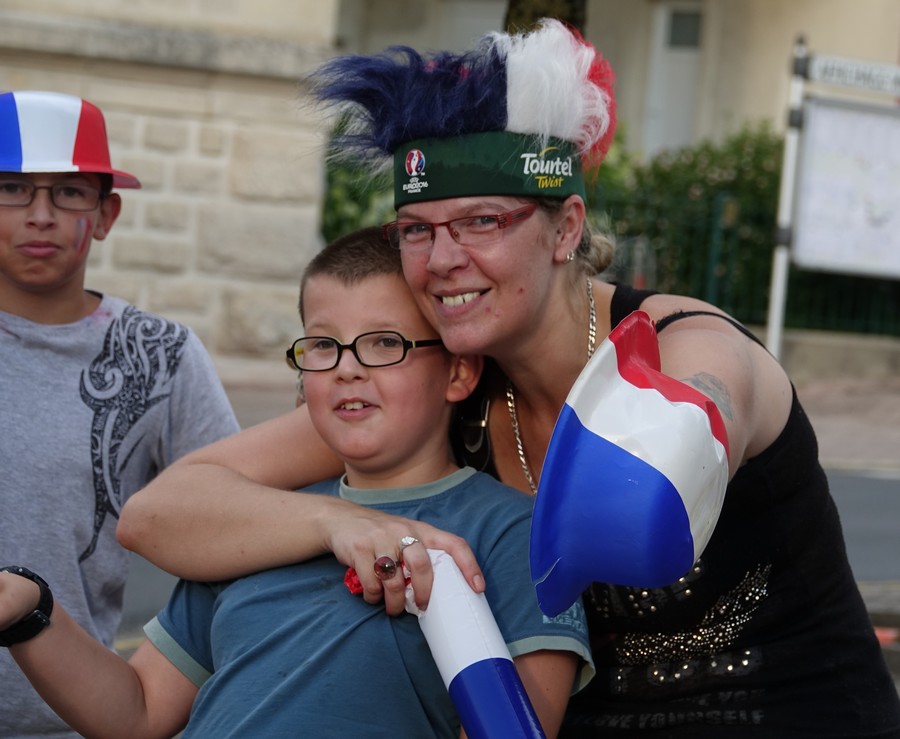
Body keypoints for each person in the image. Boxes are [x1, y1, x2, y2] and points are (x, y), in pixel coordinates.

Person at [118, 19, 900, 737]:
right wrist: (337, 523)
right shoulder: (450, 383)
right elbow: (158, 514)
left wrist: (698, 416)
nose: (442, 260)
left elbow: (712, 398)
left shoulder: (677, 337)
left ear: (566, 228)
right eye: (416, 230)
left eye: (482, 221)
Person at [1, 226, 593, 738]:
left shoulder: (511, 533)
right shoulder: (254, 523)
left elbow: (509, 726)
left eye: (384, 343)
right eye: (323, 345)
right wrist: (30, 611)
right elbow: (137, 710)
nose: (347, 367)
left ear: (458, 372)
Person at [0, 89, 240, 737]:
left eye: (69, 192)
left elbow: (236, 519)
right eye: (12, 189)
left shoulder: (161, 356)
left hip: (74, 724)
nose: (41, 215)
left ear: (106, 214)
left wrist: (166, 677)